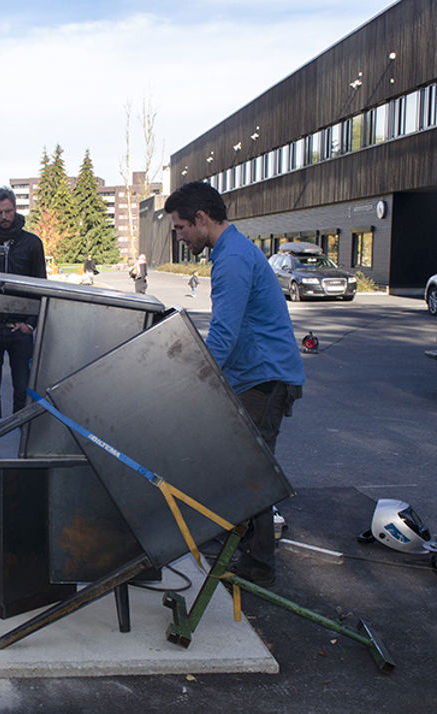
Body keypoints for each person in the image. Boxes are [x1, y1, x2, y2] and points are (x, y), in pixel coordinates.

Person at [164, 181, 304, 587]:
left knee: (253, 471)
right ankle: (240, 542)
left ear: (202, 219)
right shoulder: (232, 251)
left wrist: (194, 381)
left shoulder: (233, 260)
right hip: (255, 375)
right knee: (236, 461)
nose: (180, 236)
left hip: (264, 378)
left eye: (180, 228)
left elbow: (224, 333)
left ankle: (260, 565)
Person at [0, 187, 46, 414]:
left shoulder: (32, 244)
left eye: (8, 211)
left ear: (15, 209)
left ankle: (21, 440)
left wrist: (31, 324)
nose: (4, 217)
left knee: (23, 388)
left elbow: (40, 285)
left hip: (20, 328)